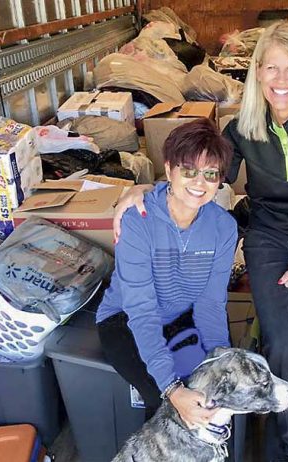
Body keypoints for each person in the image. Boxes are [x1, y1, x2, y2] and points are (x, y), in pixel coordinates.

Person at [113, 22, 288, 462]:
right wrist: (141, 188)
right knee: (285, 340)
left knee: (287, 340)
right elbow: (200, 174)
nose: (281, 80)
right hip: (266, 235)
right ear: (258, 72)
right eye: (271, 68)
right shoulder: (244, 126)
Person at [97, 118, 237, 425]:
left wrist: (219, 364)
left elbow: (211, 304)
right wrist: (172, 389)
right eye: (189, 170)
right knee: (166, 404)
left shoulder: (223, 226)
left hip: (182, 315)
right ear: (170, 168)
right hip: (126, 319)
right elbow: (142, 310)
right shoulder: (138, 218)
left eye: (211, 174)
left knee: (213, 396)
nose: (199, 183)